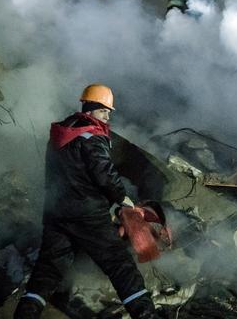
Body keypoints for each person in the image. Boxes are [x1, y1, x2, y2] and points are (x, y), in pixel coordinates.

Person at [14, 85, 156, 319]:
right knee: (120, 265)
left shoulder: (60, 132)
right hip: (88, 215)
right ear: (92, 108)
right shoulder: (93, 135)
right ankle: (147, 316)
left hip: (56, 212)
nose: (108, 117)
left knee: (47, 270)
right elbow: (103, 172)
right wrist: (122, 198)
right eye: (105, 111)